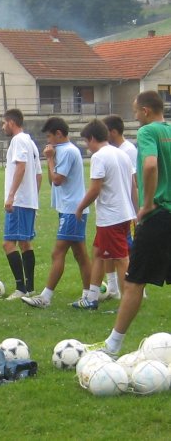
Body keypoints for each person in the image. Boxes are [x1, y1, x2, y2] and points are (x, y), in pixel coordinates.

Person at [91, 91, 171, 356]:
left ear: (147, 111)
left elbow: (149, 166)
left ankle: (112, 346)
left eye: (136, 111)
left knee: (135, 281)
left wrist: (147, 203)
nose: (135, 116)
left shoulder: (149, 132)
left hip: (158, 215)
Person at [22, 117, 90, 308]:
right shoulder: (62, 151)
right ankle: (89, 296)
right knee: (80, 254)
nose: (48, 140)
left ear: (59, 134)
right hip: (69, 209)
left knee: (57, 252)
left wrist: (50, 159)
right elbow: (54, 180)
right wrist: (51, 159)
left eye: (50, 136)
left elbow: (57, 179)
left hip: (72, 210)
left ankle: (45, 297)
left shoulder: (67, 151)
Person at [72, 119, 136, 310]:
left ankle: (127, 302)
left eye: (86, 141)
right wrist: (135, 210)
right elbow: (133, 185)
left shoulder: (99, 157)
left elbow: (95, 189)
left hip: (111, 217)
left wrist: (80, 207)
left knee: (121, 258)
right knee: (99, 253)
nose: (86, 146)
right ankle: (91, 298)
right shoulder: (122, 154)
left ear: (92, 138)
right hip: (124, 214)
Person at [1, 109, 42, 300]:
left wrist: (11, 196)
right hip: (28, 201)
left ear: (11, 122)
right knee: (25, 242)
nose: (3, 127)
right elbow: (38, 175)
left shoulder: (18, 141)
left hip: (19, 202)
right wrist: (33, 197)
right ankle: (30, 286)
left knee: (8, 243)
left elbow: (21, 166)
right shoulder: (31, 142)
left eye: (4, 123)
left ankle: (21, 288)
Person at [102, 114, 140, 299]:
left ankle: (135, 288)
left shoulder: (128, 150)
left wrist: (136, 211)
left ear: (113, 132)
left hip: (123, 211)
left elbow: (134, 183)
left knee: (126, 250)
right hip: (113, 210)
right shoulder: (115, 150)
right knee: (108, 249)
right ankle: (113, 288)